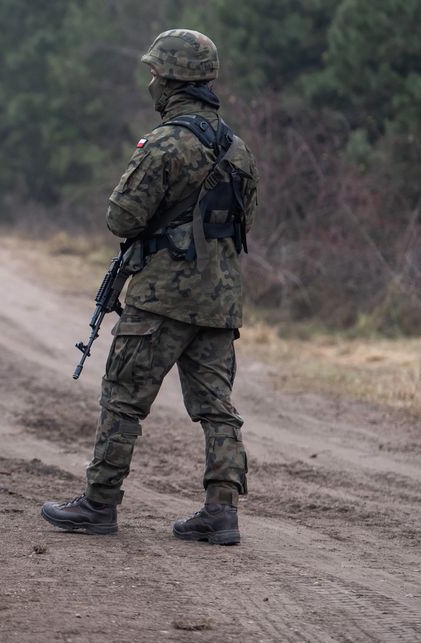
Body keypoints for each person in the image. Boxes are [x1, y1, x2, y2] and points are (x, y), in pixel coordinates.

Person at [40, 29, 259, 545]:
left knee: (122, 399)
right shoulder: (240, 150)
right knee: (217, 408)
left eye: (155, 73)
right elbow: (242, 222)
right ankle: (221, 511)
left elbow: (122, 218)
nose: (150, 82)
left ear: (174, 79)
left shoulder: (164, 142)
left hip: (161, 297)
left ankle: (98, 504)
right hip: (220, 300)